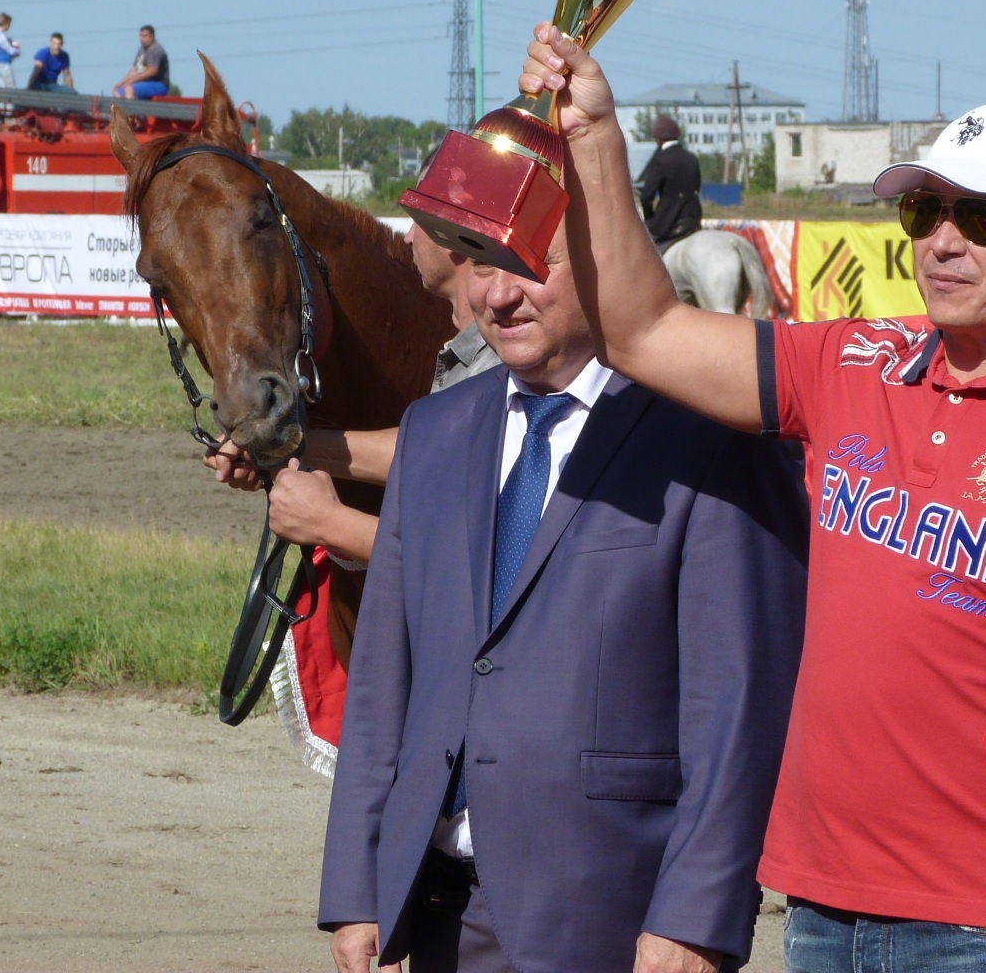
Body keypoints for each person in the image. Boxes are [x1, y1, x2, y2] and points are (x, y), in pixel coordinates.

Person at [519, 24, 986, 970]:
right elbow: (642, 333)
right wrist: (597, 137)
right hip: (817, 902)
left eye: (984, 219)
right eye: (925, 211)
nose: (944, 242)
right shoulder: (851, 360)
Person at [318, 222, 807, 973]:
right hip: (434, 914)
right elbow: (384, 681)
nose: (497, 295)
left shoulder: (710, 439)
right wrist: (359, 887)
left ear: (601, 257)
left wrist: (696, 919)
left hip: (613, 922)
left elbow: (740, 706)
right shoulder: (434, 430)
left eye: (526, 265)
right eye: (481, 265)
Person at [202, 221, 502, 567]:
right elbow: (432, 453)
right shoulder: (473, 356)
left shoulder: (499, 362)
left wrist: (330, 523)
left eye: (418, 220)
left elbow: (460, 560)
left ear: (451, 232)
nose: (407, 237)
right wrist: (275, 452)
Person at [639, 113, 702, 248]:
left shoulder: (660, 160)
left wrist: (650, 218)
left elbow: (646, 197)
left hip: (668, 220)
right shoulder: (692, 158)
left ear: (658, 139)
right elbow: (697, 187)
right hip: (693, 218)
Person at [115, 25, 170, 99]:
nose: (141, 39)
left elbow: (152, 71)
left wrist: (132, 80)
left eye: (144, 36)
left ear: (152, 37)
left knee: (129, 89)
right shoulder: (141, 50)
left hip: (159, 84)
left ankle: (131, 106)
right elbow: (134, 69)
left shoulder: (156, 49)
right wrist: (122, 82)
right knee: (118, 91)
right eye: (140, 36)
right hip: (143, 83)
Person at [0, 13, 21, 88]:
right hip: (3, 64)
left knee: (3, 86)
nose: (10, 26)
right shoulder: (1, 36)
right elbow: (9, 50)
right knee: (10, 86)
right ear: (5, 24)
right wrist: (17, 50)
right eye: (9, 24)